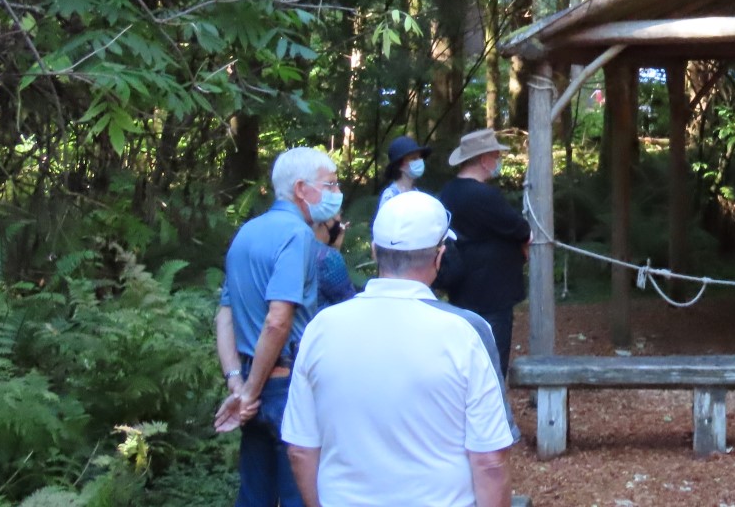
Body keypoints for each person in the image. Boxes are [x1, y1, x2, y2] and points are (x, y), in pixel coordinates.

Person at [281, 191, 515, 507]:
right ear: (440, 256)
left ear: (375, 252)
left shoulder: (321, 328)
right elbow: (489, 461)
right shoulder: (466, 332)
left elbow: (300, 449)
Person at [214, 146, 340, 507]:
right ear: (302, 188)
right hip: (287, 389)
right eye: (330, 185)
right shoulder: (297, 236)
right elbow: (278, 319)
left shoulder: (246, 232)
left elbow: (225, 315)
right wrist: (250, 393)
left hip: (253, 385)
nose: (335, 192)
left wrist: (237, 383)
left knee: (254, 497)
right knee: (299, 495)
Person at [438, 128, 531, 377]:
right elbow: (520, 228)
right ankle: (494, 410)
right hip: (492, 294)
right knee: (492, 363)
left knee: (465, 361)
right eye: (495, 155)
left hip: (462, 290)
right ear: (483, 159)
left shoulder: (448, 191)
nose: (498, 161)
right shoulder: (483, 195)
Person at [310, 216, 355, 311]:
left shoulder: (295, 245)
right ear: (325, 220)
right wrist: (334, 253)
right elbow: (348, 302)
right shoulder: (328, 257)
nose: (340, 220)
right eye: (338, 212)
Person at [378, 135, 428, 212]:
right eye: (414, 158)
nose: (419, 161)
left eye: (420, 157)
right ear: (400, 165)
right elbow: (384, 222)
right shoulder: (390, 196)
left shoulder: (418, 194)